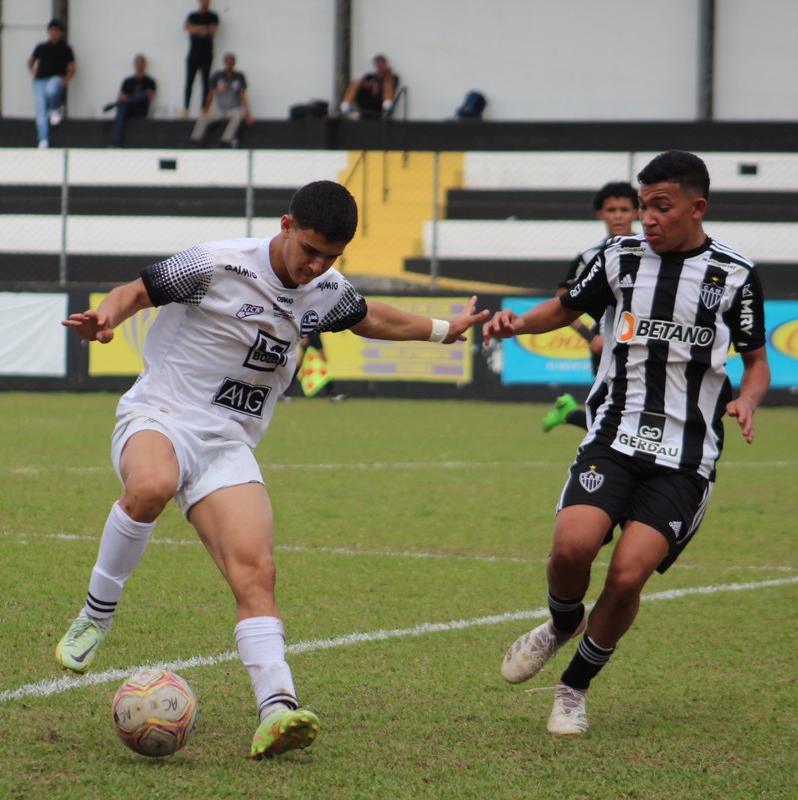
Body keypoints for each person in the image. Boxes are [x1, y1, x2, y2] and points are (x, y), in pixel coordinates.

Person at [54, 180, 488, 758]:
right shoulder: (215, 264)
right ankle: (95, 616)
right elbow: (134, 291)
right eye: (309, 249)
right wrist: (105, 317)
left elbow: (368, 318)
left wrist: (442, 331)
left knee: (256, 571)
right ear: (285, 225)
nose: (317, 266)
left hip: (227, 444)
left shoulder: (325, 288)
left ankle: (276, 708)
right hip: (160, 414)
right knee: (152, 485)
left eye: (331, 257)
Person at [483, 151, 769, 736]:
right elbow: (563, 309)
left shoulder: (735, 275)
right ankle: (562, 624)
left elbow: (757, 361)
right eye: (643, 207)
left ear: (697, 207)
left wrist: (749, 398)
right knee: (570, 549)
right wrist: (516, 323)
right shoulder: (618, 259)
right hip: (613, 435)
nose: (648, 218)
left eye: (661, 207)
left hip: (686, 457)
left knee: (627, 575)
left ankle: (573, 688)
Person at [544, 182, 641, 433]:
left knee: (627, 417)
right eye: (611, 209)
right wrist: (591, 337)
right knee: (610, 416)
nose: (618, 215)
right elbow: (562, 299)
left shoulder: (652, 250)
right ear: (601, 214)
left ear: (637, 212)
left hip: (645, 339)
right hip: (608, 342)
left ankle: (568, 413)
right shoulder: (590, 256)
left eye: (624, 209)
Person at [27, 19, 76, 149]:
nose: (54, 33)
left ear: (60, 33)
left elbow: (72, 67)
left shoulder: (65, 48)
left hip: (56, 78)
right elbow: (31, 61)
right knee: (40, 108)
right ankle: (43, 139)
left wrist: (66, 79)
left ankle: (54, 108)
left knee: (51, 90)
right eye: (52, 31)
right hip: (39, 80)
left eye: (57, 31)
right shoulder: (41, 47)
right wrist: (33, 71)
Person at [187, 53, 251, 147]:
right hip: (219, 108)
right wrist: (206, 108)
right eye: (227, 62)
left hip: (234, 108)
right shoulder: (218, 76)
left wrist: (248, 113)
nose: (229, 64)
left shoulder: (239, 76)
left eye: (231, 62)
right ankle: (195, 139)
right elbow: (211, 94)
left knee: (238, 116)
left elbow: (243, 95)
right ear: (224, 63)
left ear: (234, 63)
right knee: (203, 118)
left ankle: (226, 140)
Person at [104, 54, 157, 148]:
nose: (139, 65)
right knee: (122, 106)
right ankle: (116, 142)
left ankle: (116, 104)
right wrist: (129, 99)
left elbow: (149, 96)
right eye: (138, 63)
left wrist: (130, 98)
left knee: (141, 95)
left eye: (141, 63)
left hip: (141, 109)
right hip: (128, 109)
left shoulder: (150, 81)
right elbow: (121, 96)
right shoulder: (128, 81)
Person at [181, 0, 219, 119]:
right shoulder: (193, 15)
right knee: (189, 82)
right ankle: (186, 109)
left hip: (206, 54)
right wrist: (201, 28)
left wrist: (198, 29)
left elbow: (213, 30)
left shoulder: (213, 16)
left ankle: (203, 109)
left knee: (205, 82)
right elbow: (187, 27)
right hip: (193, 54)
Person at [340, 55, 398, 120]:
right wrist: (372, 85)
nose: (380, 66)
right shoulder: (370, 77)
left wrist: (387, 73)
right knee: (355, 83)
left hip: (379, 104)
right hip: (366, 103)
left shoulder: (391, 77)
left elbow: (391, 82)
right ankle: (344, 109)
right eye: (378, 64)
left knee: (388, 83)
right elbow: (360, 83)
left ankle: (387, 110)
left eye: (382, 64)